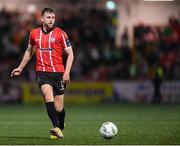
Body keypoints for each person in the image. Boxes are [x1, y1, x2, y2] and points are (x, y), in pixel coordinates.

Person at [11, 7, 74, 139]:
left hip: (58, 73)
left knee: (59, 108)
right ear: (42, 19)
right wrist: (20, 67)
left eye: (53, 18)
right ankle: (56, 127)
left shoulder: (61, 34)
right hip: (42, 72)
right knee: (48, 96)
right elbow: (29, 51)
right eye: (48, 18)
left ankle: (60, 125)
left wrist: (67, 72)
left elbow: (70, 54)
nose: (51, 20)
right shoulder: (34, 33)